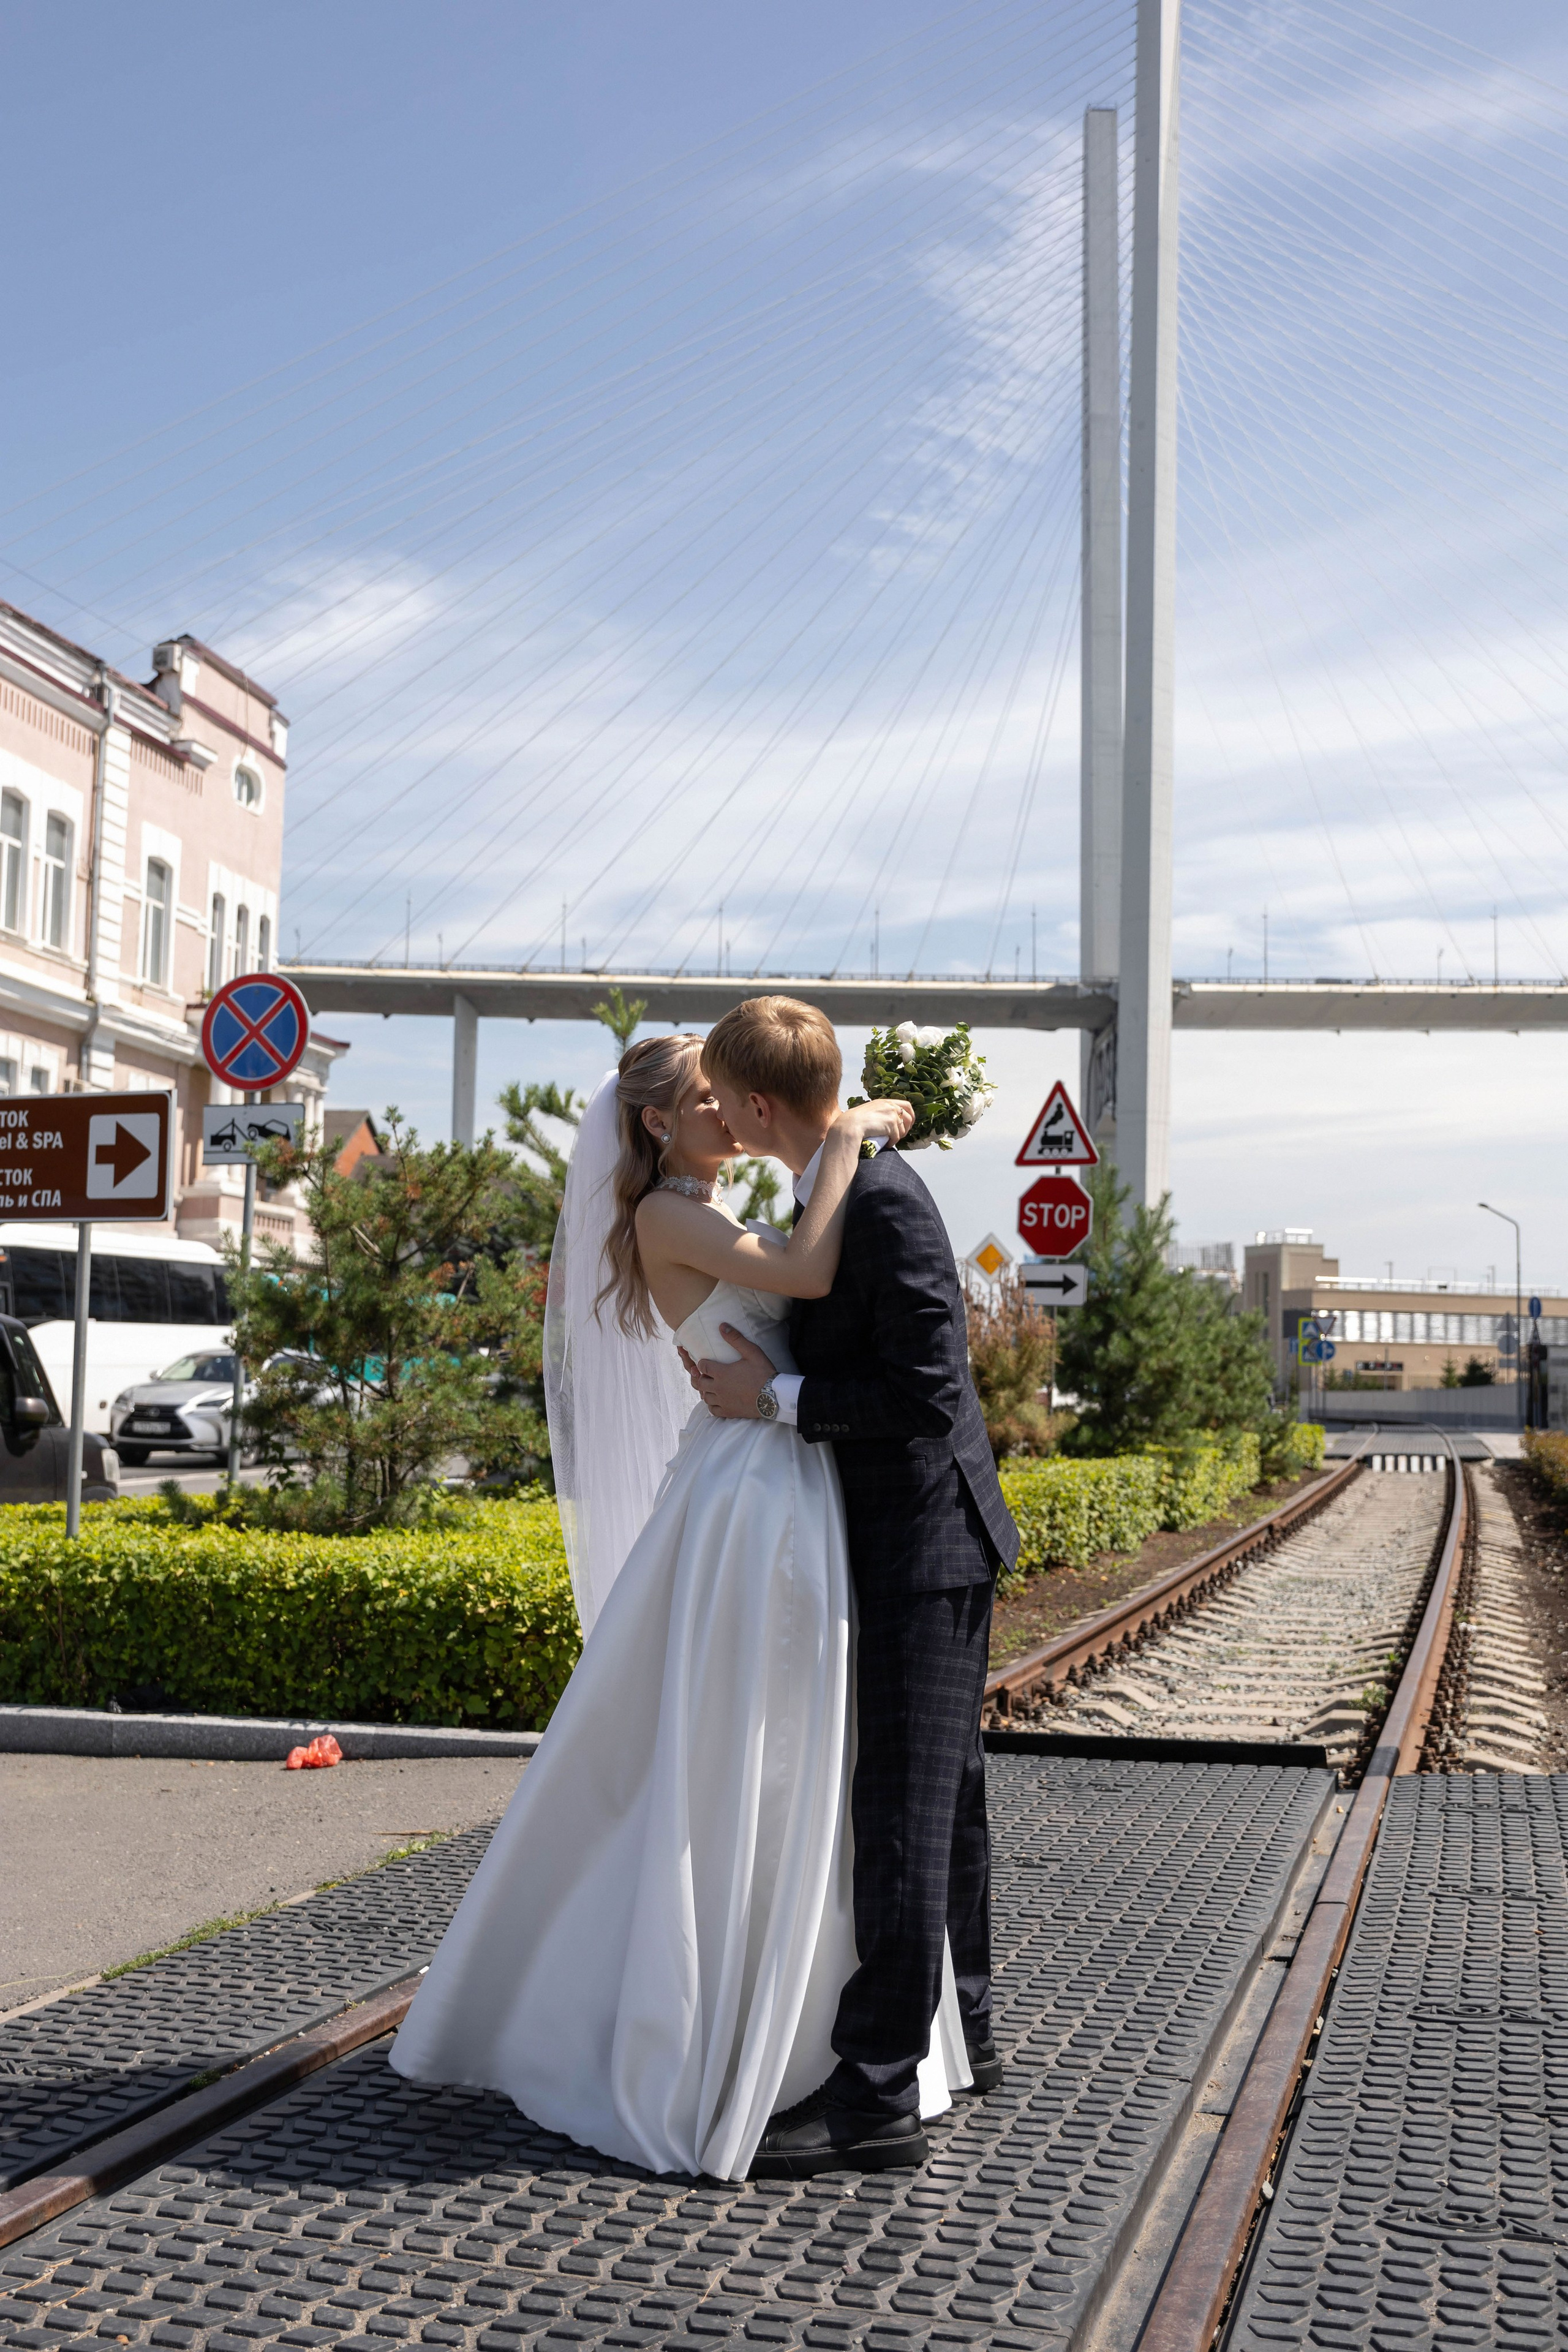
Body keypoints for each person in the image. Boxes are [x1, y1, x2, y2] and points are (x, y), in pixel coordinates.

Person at [389, 1032, 971, 2182]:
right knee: (752, 1752)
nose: (732, 1116)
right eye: (710, 1102)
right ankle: (720, 2022)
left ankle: (810, 2022)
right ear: (659, 1124)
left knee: (792, 1757)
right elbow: (805, 1276)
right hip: (754, 1495)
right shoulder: (667, 1215)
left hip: (781, 1467)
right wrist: (850, 1135)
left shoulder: (710, 1203)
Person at [690, 997, 1020, 2177]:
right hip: (914, 1540)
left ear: (762, 1104)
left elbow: (928, 1392)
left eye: (724, 1099)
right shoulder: (845, 1185)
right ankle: (962, 2034)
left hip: (921, 1547)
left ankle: (875, 2098)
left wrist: (771, 1402)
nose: (716, 1117)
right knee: (947, 1805)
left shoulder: (881, 1201)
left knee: (902, 1814)